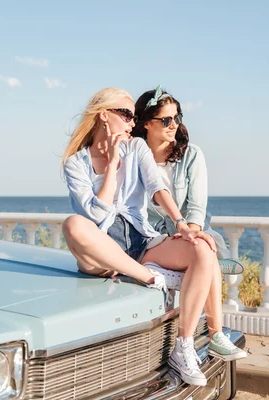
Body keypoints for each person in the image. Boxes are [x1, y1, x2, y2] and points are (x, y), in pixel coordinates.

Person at [61, 87, 245, 387]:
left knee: (202, 249)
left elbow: (157, 190)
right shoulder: (76, 163)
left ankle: (183, 348)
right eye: (126, 114)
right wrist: (110, 168)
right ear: (103, 115)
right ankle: (153, 278)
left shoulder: (136, 148)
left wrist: (182, 224)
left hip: (142, 242)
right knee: (73, 225)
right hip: (103, 253)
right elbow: (95, 216)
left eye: (134, 116)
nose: (132, 122)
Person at [131, 85, 244, 275]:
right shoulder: (133, 158)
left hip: (190, 232)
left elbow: (196, 208)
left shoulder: (192, 155)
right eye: (166, 120)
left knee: (200, 252)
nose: (174, 125)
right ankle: (213, 265)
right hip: (151, 238)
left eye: (177, 118)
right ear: (146, 123)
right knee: (203, 261)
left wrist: (189, 237)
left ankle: (209, 265)